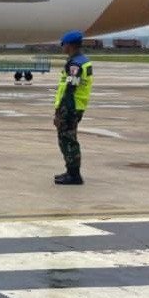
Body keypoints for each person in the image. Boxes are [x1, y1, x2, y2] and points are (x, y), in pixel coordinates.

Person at [54, 30, 93, 185]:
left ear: (70, 45)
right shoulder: (83, 61)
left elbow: (71, 88)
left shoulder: (75, 65)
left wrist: (62, 111)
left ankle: (74, 175)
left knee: (67, 140)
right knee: (68, 139)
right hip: (77, 105)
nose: (62, 47)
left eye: (63, 44)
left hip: (70, 106)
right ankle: (71, 171)